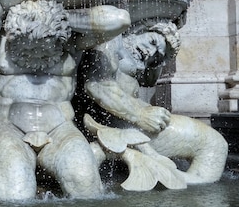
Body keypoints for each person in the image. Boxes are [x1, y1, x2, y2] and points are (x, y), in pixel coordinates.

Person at [0, 0, 132, 200]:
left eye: (44, 49)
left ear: (59, 39)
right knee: (17, 196)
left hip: (60, 130)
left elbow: (120, 19)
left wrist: (61, 19)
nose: (35, 55)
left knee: (86, 187)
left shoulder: (71, 42)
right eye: (26, 49)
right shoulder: (1, 42)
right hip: (9, 129)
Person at [84, 22, 228, 185]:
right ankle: (178, 182)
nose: (150, 52)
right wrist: (140, 115)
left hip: (137, 122)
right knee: (213, 144)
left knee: (214, 144)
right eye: (152, 41)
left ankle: (176, 179)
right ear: (141, 31)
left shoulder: (132, 56)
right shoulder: (112, 39)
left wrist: (158, 61)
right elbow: (96, 84)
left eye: (156, 56)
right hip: (130, 124)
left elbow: (149, 79)